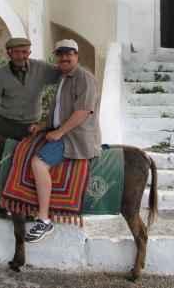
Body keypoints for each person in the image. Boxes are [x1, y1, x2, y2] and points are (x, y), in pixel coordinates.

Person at [0, 37, 61, 217]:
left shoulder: (41, 68)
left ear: (29, 53)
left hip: (30, 127)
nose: (20, 56)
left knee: (27, 164)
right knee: (0, 162)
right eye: (16, 52)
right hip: (5, 124)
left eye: (24, 51)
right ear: (9, 53)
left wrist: (81, 72)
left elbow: (65, 72)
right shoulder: (0, 74)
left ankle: (26, 205)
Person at [25, 39, 102, 243]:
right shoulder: (63, 78)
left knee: (38, 163)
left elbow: (84, 111)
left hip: (76, 136)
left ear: (77, 56)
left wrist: (59, 132)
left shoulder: (84, 78)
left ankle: (44, 221)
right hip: (63, 131)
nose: (64, 57)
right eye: (60, 54)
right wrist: (43, 126)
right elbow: (57, 109)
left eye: (68, 54)